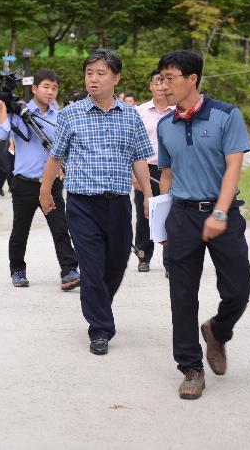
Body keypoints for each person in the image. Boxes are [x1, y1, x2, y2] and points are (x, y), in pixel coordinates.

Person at [40, 49, 154, 355]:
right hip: (82, 205)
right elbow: (56, 156)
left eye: (100, 73)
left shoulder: (131, 116)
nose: (93, 79)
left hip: (118, 204)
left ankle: (100, 302)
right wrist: (45, 189)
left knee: (117, 263)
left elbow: (140, 158)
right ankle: (100, 328)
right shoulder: (70, 114)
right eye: (89, 73)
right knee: (91, 268)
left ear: (115, 78)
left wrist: (148, 196)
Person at [155, 49, 250, 400]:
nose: (163, 85)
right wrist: (161, 224)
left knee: (240, 288)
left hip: (223, 213)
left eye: (170, 78)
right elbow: (166, 175)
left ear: (192, 79)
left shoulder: (227, 116)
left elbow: (233, 168)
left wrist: (221, 213)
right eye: (161, 78)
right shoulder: (166, 124)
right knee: (181, 295)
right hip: (181, 217)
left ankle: (217, 330)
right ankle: (191, 368)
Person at [0, 69, 80, 290]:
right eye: (46, 87)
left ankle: (69, 270)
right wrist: (2, 108)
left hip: (50, 183)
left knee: (60, 228)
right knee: (20, 230)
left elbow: (66, 146)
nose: (50, 92)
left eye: (54, 88)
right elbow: (2, 135)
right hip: (24, 182)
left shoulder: (59, 116)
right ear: (34, 89)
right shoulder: (19, 112)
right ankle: (17, 270)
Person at [133, 68, 174, 272]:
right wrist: (133, 173)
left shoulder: (178, 112)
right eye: (156, 82)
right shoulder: (139, 112)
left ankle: (169, 262)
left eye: (164, 81)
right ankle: (143, 255)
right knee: (144, 215)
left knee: (171, 215)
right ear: (150, 85)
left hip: (171, 170)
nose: (160, 86)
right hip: (145, 169)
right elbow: (130, 145)